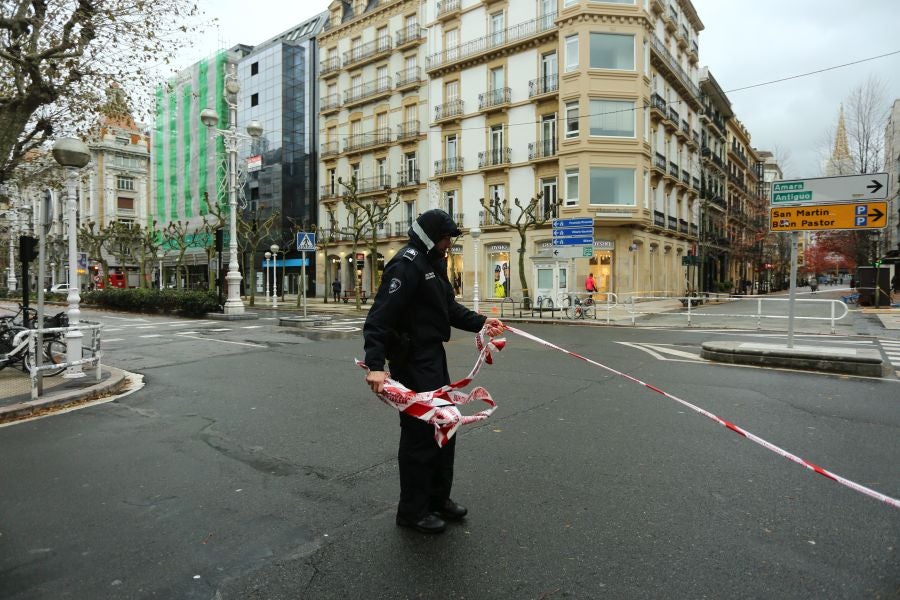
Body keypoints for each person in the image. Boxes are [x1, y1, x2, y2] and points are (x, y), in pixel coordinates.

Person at [363, 209, 504, 534]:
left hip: (432, 358)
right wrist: (375, 366)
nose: (448, 243)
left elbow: (447, 308)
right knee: (418, 436)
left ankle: (438, 499)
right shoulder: (406, 265)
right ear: (430, 236)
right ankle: (412, 512)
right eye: (444, 238)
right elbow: (379, 318)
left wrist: (483, 322)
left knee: (446, 424)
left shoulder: (433, 262)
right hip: (411, 361)